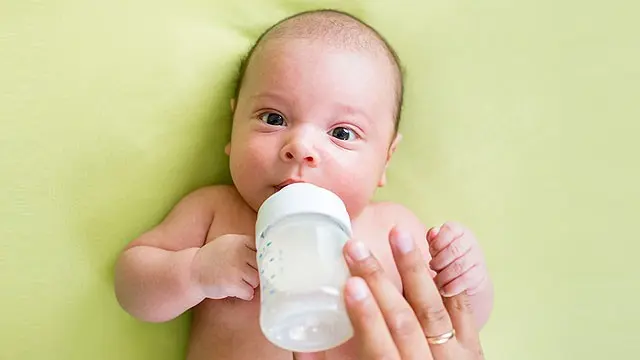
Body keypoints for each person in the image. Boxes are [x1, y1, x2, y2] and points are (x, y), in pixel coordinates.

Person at [114, 9, 494, 360]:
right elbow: (132, 286)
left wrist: (465, 277)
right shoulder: (215, 212)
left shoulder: (394, 232)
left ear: (386, 159)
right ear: (233, 127)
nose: (300, 148)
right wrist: (194, 272)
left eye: (342, 132)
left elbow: (454, 323)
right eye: (274, 118)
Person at [294, 228, 485, 360]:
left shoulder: (390, 224)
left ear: (383, 170)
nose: (304, 165)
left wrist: (461, 274)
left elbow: (460, 325)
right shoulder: (265, 254)